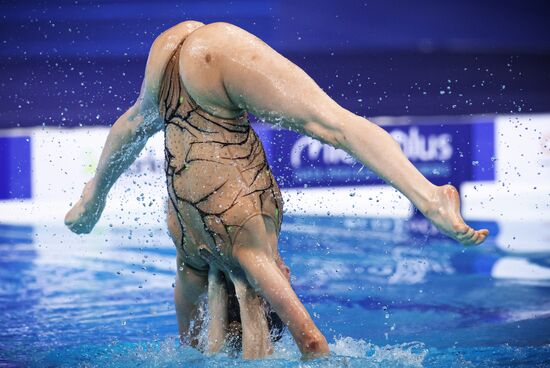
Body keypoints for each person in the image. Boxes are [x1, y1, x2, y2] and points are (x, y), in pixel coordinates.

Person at [64, 21, 489, 360]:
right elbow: (190, 342)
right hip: (182, 63)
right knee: (144, 117)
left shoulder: (244, 255)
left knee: (329, 124)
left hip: (208, 64)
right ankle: (91, 198)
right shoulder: (188, 255)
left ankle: (432, 199)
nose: (287, 274)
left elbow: (313, 343)